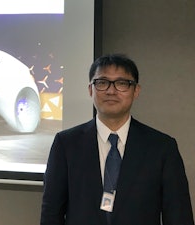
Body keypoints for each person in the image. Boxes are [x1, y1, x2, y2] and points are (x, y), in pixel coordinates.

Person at [40, 53, 194, 225]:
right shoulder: (66, 143)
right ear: (90, 89)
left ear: (136, 91)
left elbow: (179, 215)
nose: (111, 91)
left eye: (122, 83)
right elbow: (51, 213)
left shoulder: (162, 147)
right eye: (102, 83)